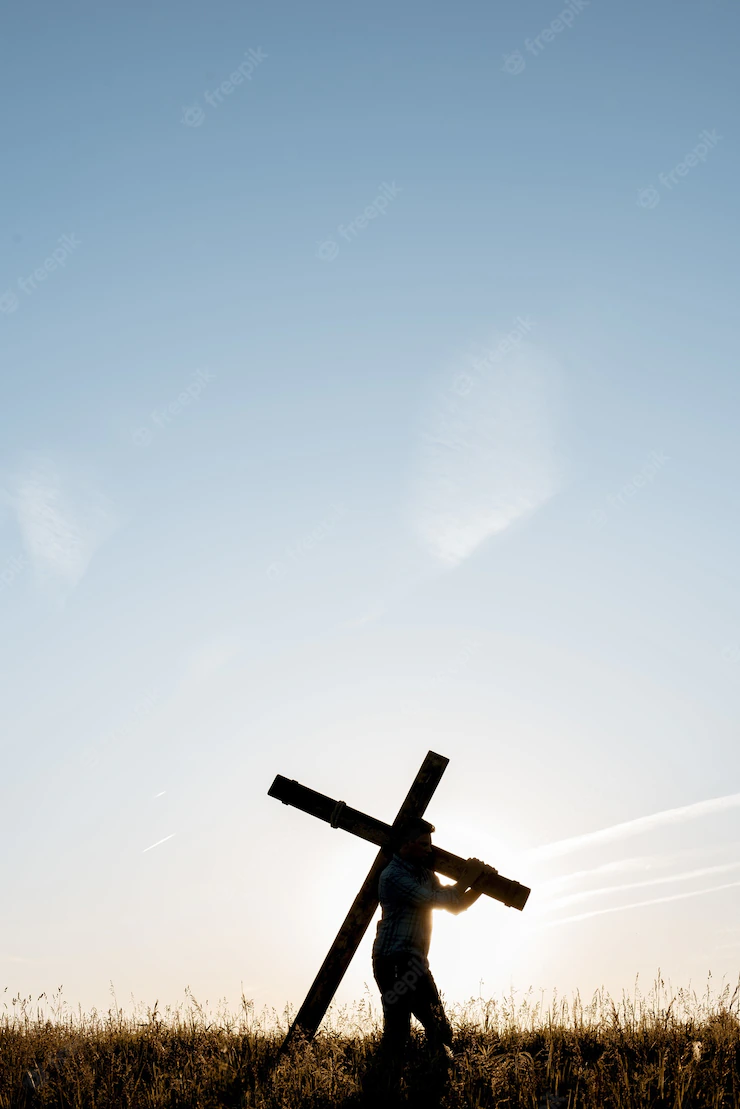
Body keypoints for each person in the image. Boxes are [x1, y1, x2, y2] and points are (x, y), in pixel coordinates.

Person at [371, 816, 490, 1081]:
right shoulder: (393, 876)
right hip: (393, 963)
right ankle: (382, 1085)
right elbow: (433, 900)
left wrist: (479, 885)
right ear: (406, 844)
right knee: (398, 1030)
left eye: (430, 844)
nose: (429, 849)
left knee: (439, 1027)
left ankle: (431, 1080)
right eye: (424, 844)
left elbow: (454, 905)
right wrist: (467, 879)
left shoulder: (424, 873)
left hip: (413, 963)